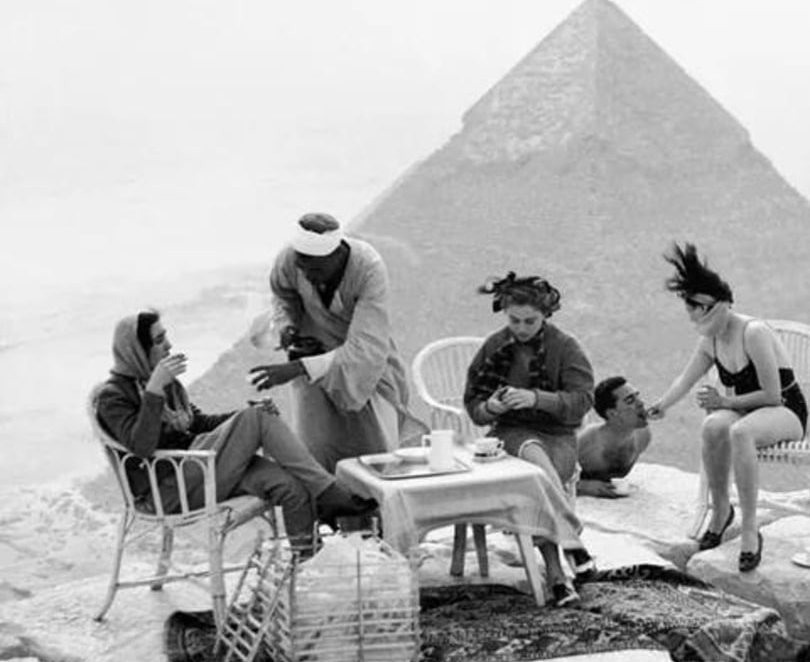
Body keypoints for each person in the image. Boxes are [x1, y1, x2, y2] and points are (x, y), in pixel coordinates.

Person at [96, 311, 377, 555]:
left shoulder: (165, 384)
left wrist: (243, 416)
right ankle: (330, 492)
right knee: (256, 420)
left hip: (203, 469)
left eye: (165, 336)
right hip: (168, 488)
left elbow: (200, 423)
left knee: (292, 487)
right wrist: (155, 390)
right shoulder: (113, 397)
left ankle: (306, 568)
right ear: (135, 350)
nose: (169, 345)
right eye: (158, 341)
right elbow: (141, 447)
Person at [647, 243, 808, 570]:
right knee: (713, 425)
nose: (691, 314)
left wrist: (724, 401)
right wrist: (661, 405)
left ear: (711, 305)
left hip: (785, 410)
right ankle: (721, 510)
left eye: (695, 306)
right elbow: (686, 378)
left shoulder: (754, 332)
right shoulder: (712, 338)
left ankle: (750, 529)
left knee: (741, 432)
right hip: (747, 408)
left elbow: (774, 395)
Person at [463, 272, 597, 606]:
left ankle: (557, 576)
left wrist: (537, 399)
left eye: (530, 321)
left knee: (537, 473)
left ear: (546, 315)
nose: (521, 328)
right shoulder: (495, 346)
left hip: (558, 437)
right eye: (514, 320)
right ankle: (570, 549)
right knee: (532, 460)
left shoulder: (565, 347)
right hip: (508, 436)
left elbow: (582, 401)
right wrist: (491, 406)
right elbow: (474, 406)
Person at [250, 212, 424, 470]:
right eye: (303, 267)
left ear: (337, 256)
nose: (307, 275)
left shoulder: (368, 268)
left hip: (363, 368)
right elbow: (282, 296)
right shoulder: (290, 258)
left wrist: (298, 369)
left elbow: (365, 345)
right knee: (316, 447)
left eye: (316, 269)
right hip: (310, 366)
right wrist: (287, 327)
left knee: (375, 454)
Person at [577, 376, 652, 498]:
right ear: (612, 413)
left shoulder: (643, 436)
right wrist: (582, 486)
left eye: (637, 396)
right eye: (630, 400)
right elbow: (545, 476)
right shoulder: (585, 442)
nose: (640, 403)